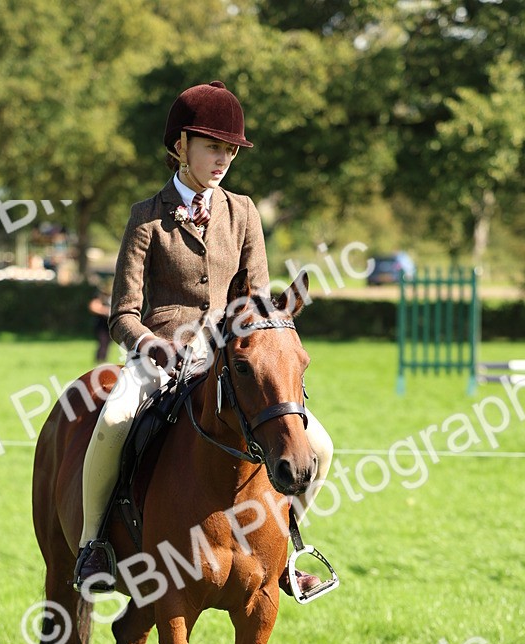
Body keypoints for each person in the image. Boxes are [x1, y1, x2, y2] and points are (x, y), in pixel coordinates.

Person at [73, 80, 333, 596]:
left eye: (230, 150)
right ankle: (93, 546)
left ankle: (286, 546)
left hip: (228, 359)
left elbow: (256, 301)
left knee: (319, 445)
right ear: (180, 147)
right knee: (115, 418)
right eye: (213, 147)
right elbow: (122, 315)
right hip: (162, 356)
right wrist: (153, 346)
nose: (223, 159)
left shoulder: (244, 212)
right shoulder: (146, 217)